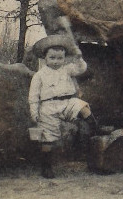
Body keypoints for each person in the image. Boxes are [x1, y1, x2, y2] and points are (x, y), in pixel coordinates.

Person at [28, 29, 98, 179]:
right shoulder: (39, 75)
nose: (56, 61)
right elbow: (33, 96)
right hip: (48, 108)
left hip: (67, 102)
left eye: (60, 58)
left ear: (64, 59)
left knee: (82, 107)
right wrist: (34, 112)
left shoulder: (67, 69)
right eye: (52, 58)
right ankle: (46, 166)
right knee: (48, 138)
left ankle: (95, 131)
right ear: (45, 58)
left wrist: (79, 58)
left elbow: (81, 69)